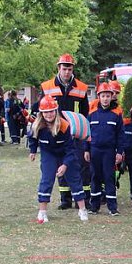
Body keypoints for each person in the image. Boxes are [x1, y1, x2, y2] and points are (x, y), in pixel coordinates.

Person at [28, 95, 88, 223]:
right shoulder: (37, 125)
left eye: (51, 111)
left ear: (56, 111)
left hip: (65, 153)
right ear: (41, 113)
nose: (48, 114)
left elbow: (71, 149)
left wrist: (65, 164)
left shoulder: (64, 126)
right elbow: (32, 138)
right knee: (47, 179)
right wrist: (33, 151)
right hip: (48, 153)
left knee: (74, 177)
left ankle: (82, 210)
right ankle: (42, 212)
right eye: (45, 112)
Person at [41, 53, 90, 209]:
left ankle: (81, 199)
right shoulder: (47, 87)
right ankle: (65, 199)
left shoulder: (81, 88)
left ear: (72, 69)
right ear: (59, 68)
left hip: (76, 133)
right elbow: (42, 110)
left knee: (79, 164)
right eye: (64, 68)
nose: (67, 72)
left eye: (69, 69)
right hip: (57, 133)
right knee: (60, 164)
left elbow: (85, 112)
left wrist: (83, 131)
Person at [86, 83, 124, 216]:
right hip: (94, 150)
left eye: (108, 96)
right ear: (99, 97)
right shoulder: (92, 114)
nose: (106, 99)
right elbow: (87, 133)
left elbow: (120, 135)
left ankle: (112, 207)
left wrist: (119, 152)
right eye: (103, 96)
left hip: (109, 151)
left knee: (109, 178)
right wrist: (86, 150)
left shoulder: (116, 114)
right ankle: (94, 206)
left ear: (112, 97)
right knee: (95, 177)